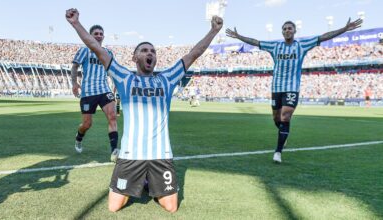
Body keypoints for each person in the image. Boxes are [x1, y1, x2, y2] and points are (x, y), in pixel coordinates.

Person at [66, 8, 223, 213]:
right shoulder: (124, 77)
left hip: (161, 154)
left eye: (153, 51)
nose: (150, 53)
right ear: (134, 58)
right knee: (114, 207)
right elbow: (96, 48)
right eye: (144, 50)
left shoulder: (167, 78)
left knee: (171, 207)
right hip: (131, 155)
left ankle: (149, 181)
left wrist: (213, 31)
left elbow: (194, 53)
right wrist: (76, 23)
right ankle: (143, 180)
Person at [226, 18, 362, 163]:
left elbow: (324, 37)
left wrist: (344, 29)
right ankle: (284, 133)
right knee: (276, 118)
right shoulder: (274, 46)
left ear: (295, 31)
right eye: (284, 29)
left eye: (290, 28)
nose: (287, 30)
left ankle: (278, 152)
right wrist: (239, 36)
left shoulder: (302, 45)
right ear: (282, 32)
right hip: (277, 87)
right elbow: (256, 42)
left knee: (285, 117)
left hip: (292, 88)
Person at [71, 24, 119, 162]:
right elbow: (74, 67)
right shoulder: (84, 50)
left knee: (112, 117)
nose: (98, 35)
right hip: (88, 92)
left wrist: (116, 84)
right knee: (86, 124)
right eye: (95, 33)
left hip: (104, 90)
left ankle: (114, 151)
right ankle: (79, 138)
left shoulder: (108, 53)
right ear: (90, 36)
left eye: (100, 33)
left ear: (103, 36)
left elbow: (112, 70)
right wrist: (74, 83)